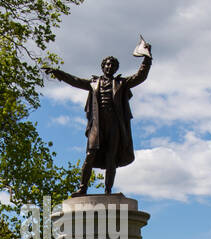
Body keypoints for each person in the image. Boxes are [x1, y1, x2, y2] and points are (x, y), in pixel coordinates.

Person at [44, 40, 151, 195]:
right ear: (103, 67)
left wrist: (147, 59)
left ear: (116, 68)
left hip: (114, 124)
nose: (109, 67)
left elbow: (140, 76)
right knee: (90, 155)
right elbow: (75, 81)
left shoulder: (122, 83)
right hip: (97, 124)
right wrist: (58, 73)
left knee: (111, 157)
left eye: (112, 65)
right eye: (107, 65)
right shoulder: (93, 83)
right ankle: (82, 188)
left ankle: (108, 191)